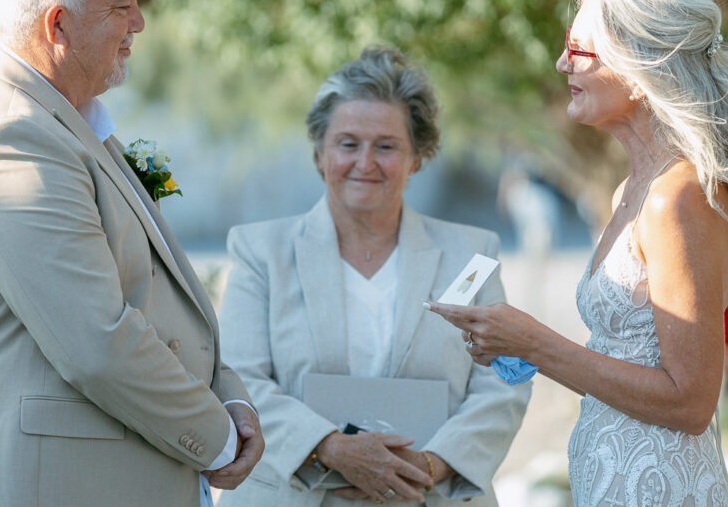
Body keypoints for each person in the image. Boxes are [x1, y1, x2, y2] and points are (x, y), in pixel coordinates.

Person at [0, 0, 262, 507]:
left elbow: (151, 292)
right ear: (58, 25)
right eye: (123, 4)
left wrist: (228, 394)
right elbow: (98, 342)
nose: (140, 23)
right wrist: (219, 438)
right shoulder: (9, 139)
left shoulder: (68, 122)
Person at [429, 0, 728, 506]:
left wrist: (536, 343)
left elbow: (691, 400)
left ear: (639, 69)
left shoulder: (676, 197)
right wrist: (514, 345)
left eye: (579, 50)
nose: (563, 63)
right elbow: (624, 363)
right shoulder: (630, 191)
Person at [216, 46, 530, 506]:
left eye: (386, 146)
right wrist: (333, 449)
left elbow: (503, 383)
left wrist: (428, 467)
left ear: (417, 157)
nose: (365, 163)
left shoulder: (473, 254)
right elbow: (240, 378)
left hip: (429, 496)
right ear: (320, 152)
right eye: (348, 144)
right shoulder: (260, 251)